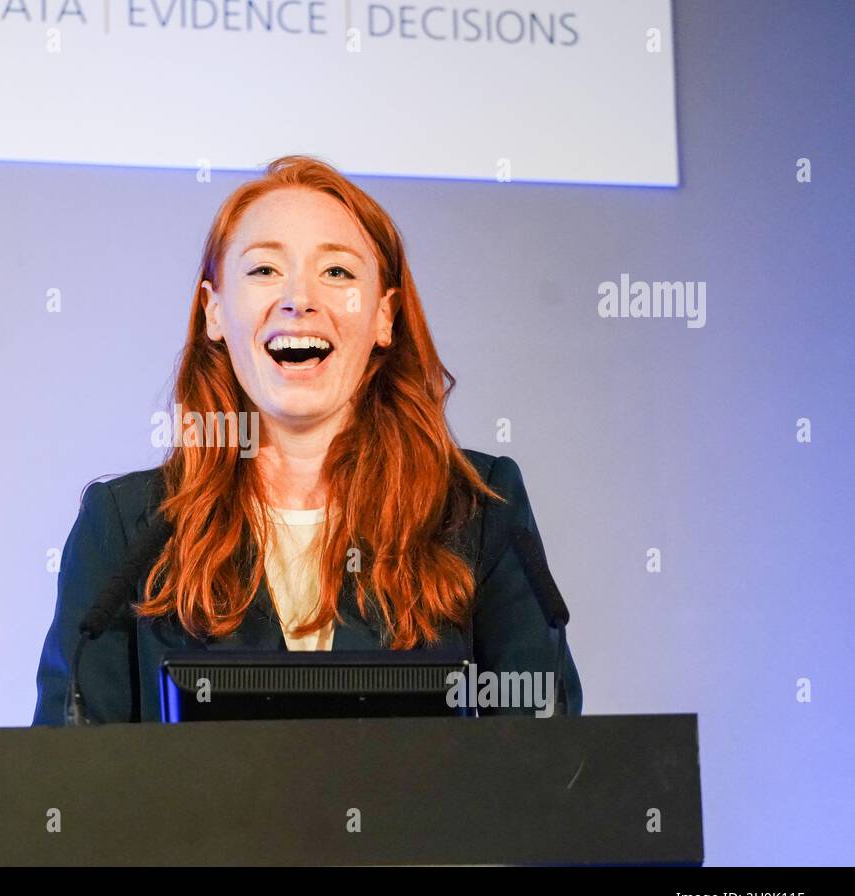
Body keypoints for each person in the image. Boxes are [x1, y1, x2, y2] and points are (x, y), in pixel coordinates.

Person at [32, 155, 583, 724]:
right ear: (214, 310)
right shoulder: (126, 528)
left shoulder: (479, 511)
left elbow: (541, 754)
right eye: (264, 270)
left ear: (384, 317)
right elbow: (72, 774)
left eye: (338, 273)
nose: (299, 299)